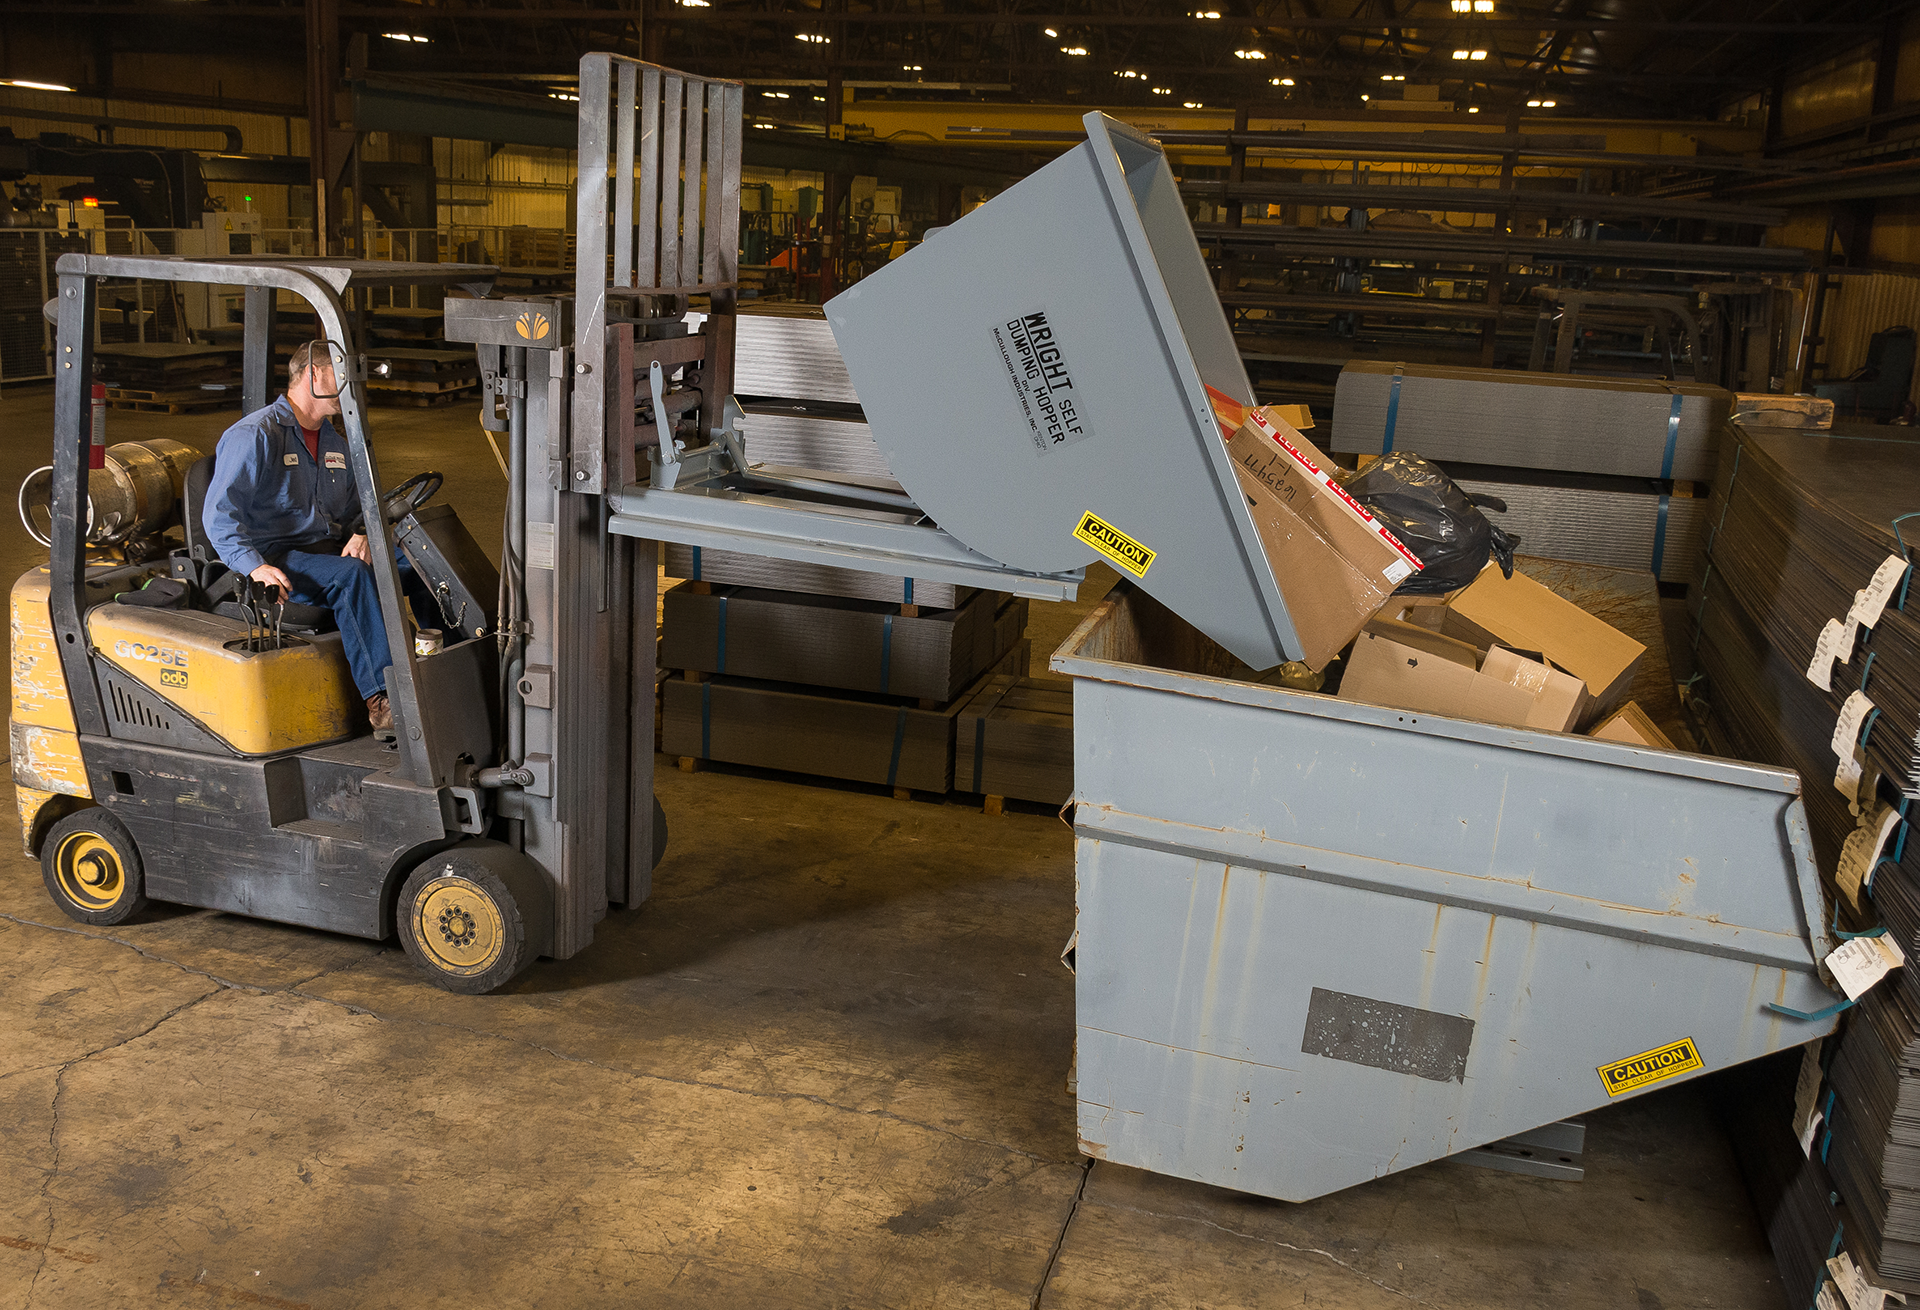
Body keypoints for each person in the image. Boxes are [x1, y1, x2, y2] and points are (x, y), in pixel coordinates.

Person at [205, 340, 438, 736]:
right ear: (313, 374)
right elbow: (219, 516)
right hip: (277, 555)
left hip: (325, 548)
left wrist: (364, 533)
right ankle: (383, 700)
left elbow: (355, 510)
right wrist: (255, 567)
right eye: (340, 374)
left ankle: (444, 661)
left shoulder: (334, 442)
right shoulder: (256, 435)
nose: (350, 385)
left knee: (421, 560)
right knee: (352, 576)